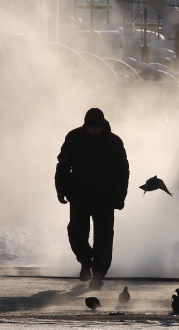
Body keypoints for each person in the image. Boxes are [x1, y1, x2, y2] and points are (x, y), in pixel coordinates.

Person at [55, 108, 129, 288]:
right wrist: (61, 189)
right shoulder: (74, 138)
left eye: (96, 127)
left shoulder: (114, 142)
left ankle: (98, 274)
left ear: (102, 125)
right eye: (90, 127)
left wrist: (120, 196)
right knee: (76, 234)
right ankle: (86, 261)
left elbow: (122, 172)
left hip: (105, 198)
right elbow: (63, 166)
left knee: (104, 239)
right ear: (85, 124)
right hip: (79, 196)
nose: (93, 130)